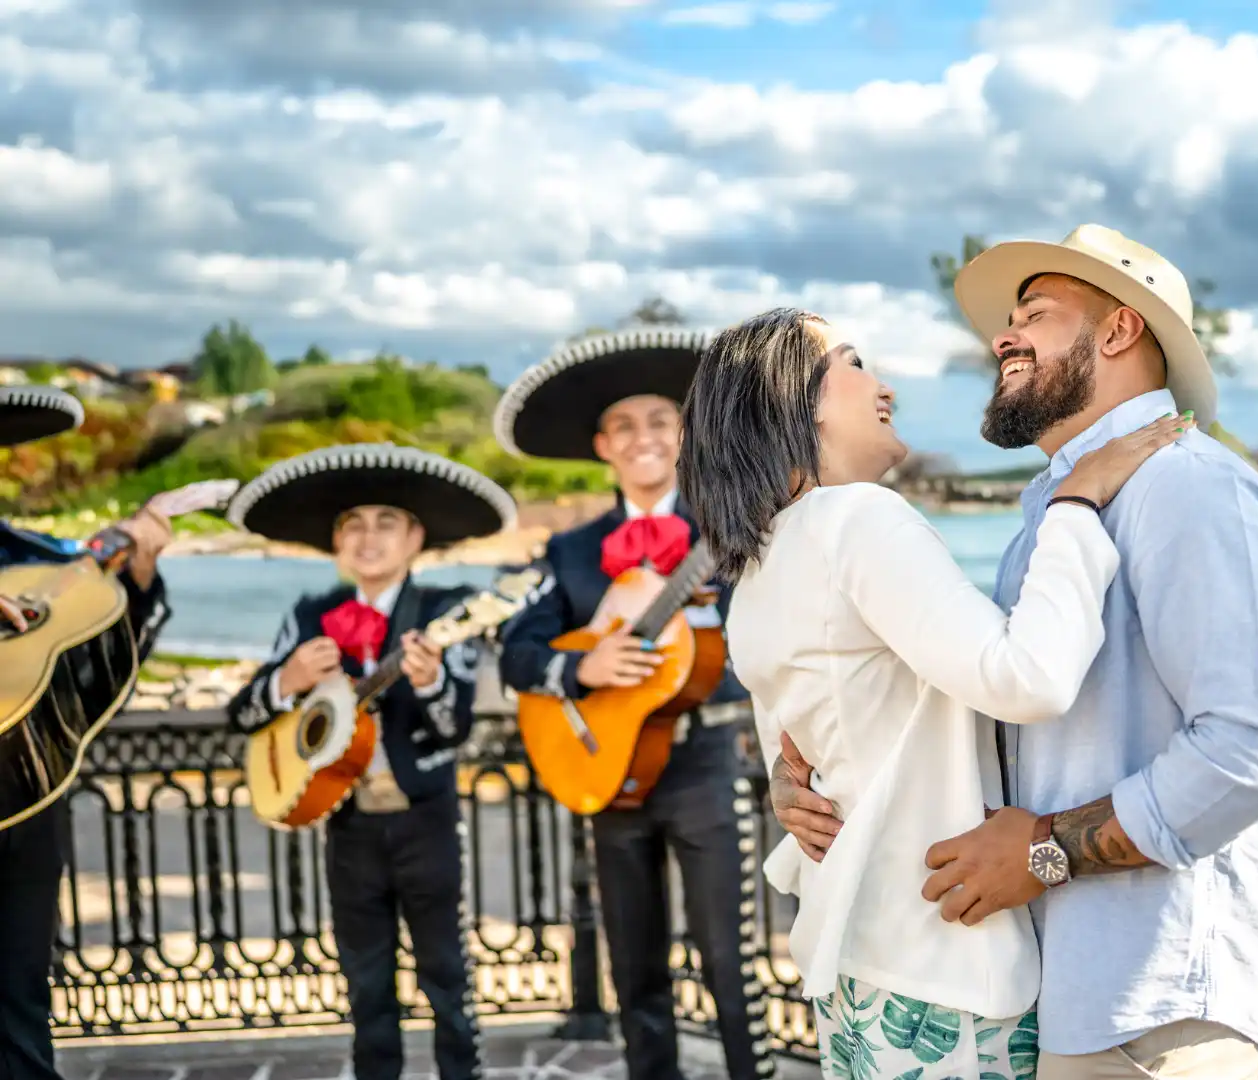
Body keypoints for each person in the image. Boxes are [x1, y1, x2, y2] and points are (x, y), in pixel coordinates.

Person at [769, 224, 1258, 1080]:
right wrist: (811, 766)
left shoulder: (1189, 487)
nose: (1001, 336)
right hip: (1079, 988)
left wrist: (1042, 851)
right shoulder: (1062, 510)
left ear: (1118, 331)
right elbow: (1000, 703)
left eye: (1036, 312)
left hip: (1155, 994)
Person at [675, 307, 1191, 1080]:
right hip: (945, 966)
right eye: (852, 362)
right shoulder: (857, 520)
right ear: (796, 398)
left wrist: (787, 784)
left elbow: (794, 749)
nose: (884, 386)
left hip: (859, 960)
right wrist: (1076, 506)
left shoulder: (755, 565)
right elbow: (1031, 678)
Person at [494, 329, 770, 1080]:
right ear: (601, 445)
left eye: (660, 420)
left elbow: (781, 645)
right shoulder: (570, 551)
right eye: (625, 425)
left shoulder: (736, 527)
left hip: (706, 767)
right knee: (635, 969)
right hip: (609, 773)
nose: (643, 436)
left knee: (729, 964)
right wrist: (584, 668)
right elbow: (517, 652)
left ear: (686, 434)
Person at [224, 443, 517, 1080]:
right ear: (336, 542)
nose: (368, 536)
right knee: (365, 984)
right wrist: (287, 680)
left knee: (447, 978)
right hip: (348, 826)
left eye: (387, 522)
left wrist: (435, 680)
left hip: (425, 820)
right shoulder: (307, 616)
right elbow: (243, 715)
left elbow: (454, 730)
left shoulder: (446, 612)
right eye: (352, 524)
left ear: (415, 538)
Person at [0, 385, 173, 1080]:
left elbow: (104, 663)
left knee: (19, 1007)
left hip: (28, 800)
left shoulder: (34, 555)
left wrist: (140, 572)